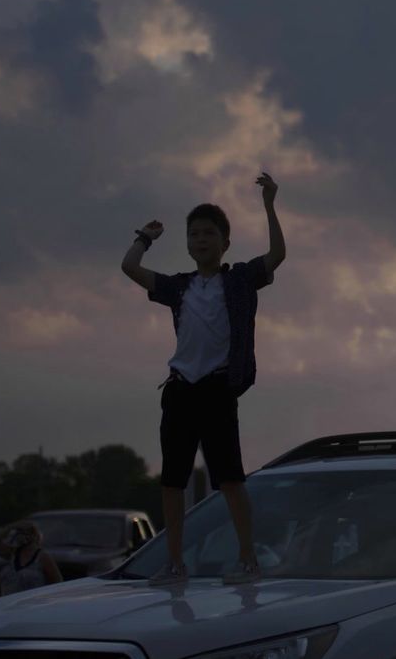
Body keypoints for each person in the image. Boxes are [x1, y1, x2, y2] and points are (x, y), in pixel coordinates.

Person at [121, 172, 286, 585]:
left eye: (209, 234)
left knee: (230, 478)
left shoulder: (240, 279)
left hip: (217, 388)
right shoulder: (179, 287)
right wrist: (145, 236)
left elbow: (278, 254)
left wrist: (269, 205)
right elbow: (129, 267)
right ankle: (174, 563)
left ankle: (248, 558)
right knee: (172, 481)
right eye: (194, 235)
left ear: (224, 242)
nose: (200, 240)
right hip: (180, 389)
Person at [0, 521, 61, 599]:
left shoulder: (43, 557)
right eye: (19, 532)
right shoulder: (11, 554)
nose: (22, 535)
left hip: (34, 605)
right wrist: (11, 527)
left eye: (26, 532)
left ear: (34, 535)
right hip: (8, 605)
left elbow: (57, 584)